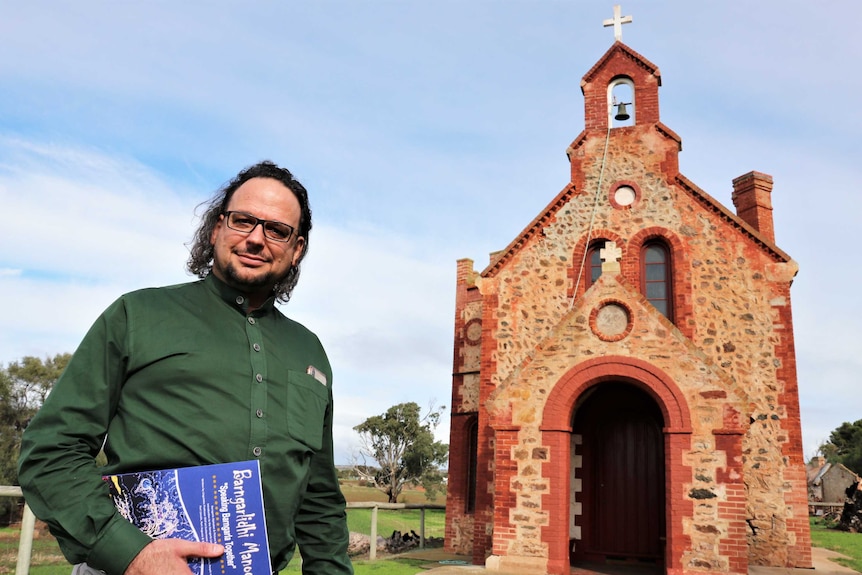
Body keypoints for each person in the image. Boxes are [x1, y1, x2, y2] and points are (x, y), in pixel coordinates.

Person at [18, 161, 353, 575]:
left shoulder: (310, 352)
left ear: (296, 248)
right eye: (242, 220)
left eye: (277, 230)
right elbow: (51, 451)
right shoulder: (137, 315)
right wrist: (130, 553)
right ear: (216, 228)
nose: (255, 239)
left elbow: (319, 499)